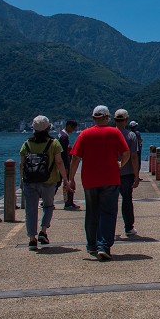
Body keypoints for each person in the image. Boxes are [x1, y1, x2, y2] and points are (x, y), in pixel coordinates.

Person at [70, 105, 129, 261]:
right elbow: (126, 152)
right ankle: (103, 245)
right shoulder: (115, 132)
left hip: (89, 179)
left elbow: (75, 158)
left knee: (91, 212)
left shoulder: (84, 134)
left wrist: (70, 178)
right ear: (107, 117)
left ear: (94, 118)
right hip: (110, 178)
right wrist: (120, 164)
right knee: (108, 213)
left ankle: (91, 245)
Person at [20, 115, 72, 251]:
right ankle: (43, 231)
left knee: (30, 210)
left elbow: (22, 164)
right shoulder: (54, 143)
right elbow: (59, 162)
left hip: (30, 181)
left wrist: (21, 180)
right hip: (49, 181)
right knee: (48, 206)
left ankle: (32, 239)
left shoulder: (26, 144)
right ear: (48, 128)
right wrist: (66, 179)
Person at [113, 109, 142, 237]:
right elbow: (134, 156)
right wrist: (136, 175)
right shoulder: (131, 136)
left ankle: (109, 228)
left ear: (114, 120)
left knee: (110, 201)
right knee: (127, 200)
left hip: (111, 172)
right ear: (126, 120)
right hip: (127, 173)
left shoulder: (110, 134)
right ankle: (128, 227)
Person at [57, 119, 81, 210]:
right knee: (69, 183)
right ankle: (68, 203)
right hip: (64, 164)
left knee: (57, 183)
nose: (73, 130)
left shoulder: (60, 134)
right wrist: (67, 166)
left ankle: (47, 201)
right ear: (69, 126)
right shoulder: (64, 137)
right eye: (73, 128)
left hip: (59, 163)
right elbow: (63, 154)